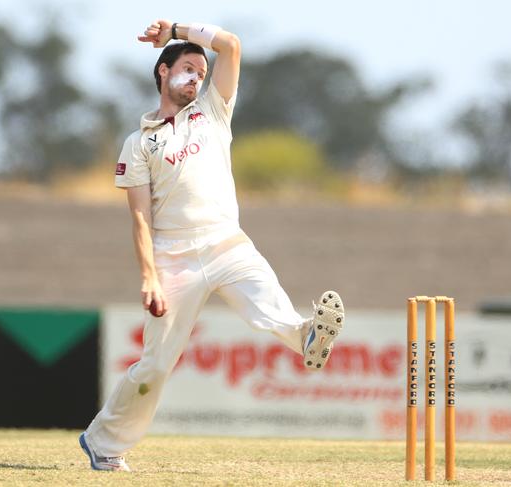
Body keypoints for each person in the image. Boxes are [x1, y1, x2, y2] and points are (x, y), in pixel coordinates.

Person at [78, 19, 345, 472]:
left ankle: (307, 336)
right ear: (163, 72)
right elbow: (140, 216)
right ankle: (103, 443)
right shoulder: (140, 142)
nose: (196, 78)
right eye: (187, 69)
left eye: (201, 73)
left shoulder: (214, 110)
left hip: (226, 242)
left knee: (267, 297)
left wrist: (179, 30)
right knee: (155, 366)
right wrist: (150, 278)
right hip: (173, 258)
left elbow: (231, 44)